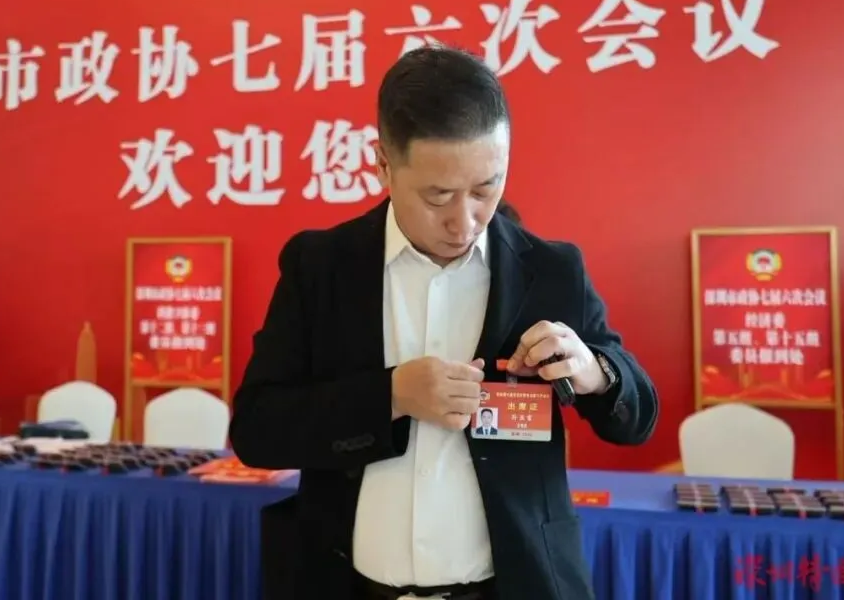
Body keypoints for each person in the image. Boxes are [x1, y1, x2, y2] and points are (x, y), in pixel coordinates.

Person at [231, 46, 659, 600]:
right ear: (383, 164)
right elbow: (258, 431)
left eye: (485, 189)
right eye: (438, 196)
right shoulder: (320, 268)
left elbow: (637, 419)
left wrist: (595, 371)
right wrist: (390, 395)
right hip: (348, 585)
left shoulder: (551, 271)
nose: (465, 221)